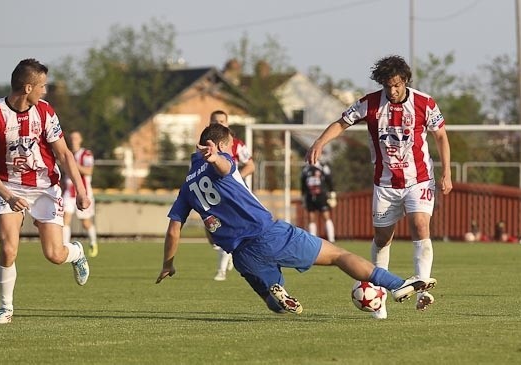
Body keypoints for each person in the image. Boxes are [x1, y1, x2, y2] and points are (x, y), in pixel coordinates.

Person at [156, 123, 437, 315]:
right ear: (218, 145)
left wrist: (168, 264)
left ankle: (277, 292)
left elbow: (173, 230)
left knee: (270, 301)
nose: (232, 152)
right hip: (269, 234)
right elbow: (224, 164)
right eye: (229, 146)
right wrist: (217, 156)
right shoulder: (222, 162)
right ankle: (397, 284)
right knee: (338, 255)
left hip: (241, 255)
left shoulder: (187, 186)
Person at [305, 55, 452, 319]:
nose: (392, 91)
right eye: (387, 86)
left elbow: (440, 134)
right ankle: (379, 296)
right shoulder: (370, 103)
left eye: (396, 85)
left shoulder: (424, 103)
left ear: (405, 81)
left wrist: (447, 172)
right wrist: (319, 142)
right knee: (383, 238)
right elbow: (341, 123)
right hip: (385, 183)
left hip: (419, 179)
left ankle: (421, 287)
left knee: (420, 224)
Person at [0, 59, 91, 325]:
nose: (46, 91)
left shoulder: (46, 112)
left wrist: (81, 190)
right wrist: (8, 196)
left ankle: (75, 252)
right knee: (8, 249)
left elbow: (63, 153)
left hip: (45, 189)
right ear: (28, 87)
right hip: (9, 187)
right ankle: (5, 307)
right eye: (43, 86)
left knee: (54, 255)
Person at [208, 110, 255, 281]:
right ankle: (229, 254)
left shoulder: (235, 144)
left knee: (228, 230)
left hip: (232, 193)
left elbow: (250, 166)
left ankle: (221, 271)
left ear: (227, 124)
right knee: (214, 231)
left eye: (222, 121)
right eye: (215, 121)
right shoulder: (204, 145)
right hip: (211, 192)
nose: (219, 124)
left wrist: (235, 179)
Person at [62, 130, 98, 257]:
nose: (73, 140)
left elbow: (89, 171)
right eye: (72, 138)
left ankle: (93, 242)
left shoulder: (86, 154)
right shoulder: (67, 153)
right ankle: (65, 246)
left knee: (86, 222)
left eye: (76, 138)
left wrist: (74, 165)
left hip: (83, 193)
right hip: (68, 192)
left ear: (80, 139)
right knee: (65, 218)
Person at [300, 160, 335, 242]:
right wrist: (303, 197)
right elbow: (303, 184)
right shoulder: (305, 169)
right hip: (310, 196)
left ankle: (331, 239)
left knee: (326, 216)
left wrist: (332, 193)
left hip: (321, 195)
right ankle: (312, 240)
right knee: (311, 217)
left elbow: (329, 180)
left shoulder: (323, 167)